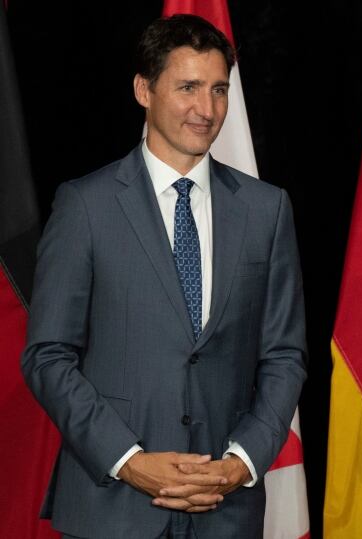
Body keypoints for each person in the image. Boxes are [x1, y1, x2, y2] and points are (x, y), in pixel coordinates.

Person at [21, 14, 306, 539]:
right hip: (113, 506)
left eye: (219, 89)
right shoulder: (85, 205)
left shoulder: (267, 210)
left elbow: (284, 354)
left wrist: (242, 462)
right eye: (189, 88)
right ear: (143, 90)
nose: (207, 109)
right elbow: (47, 355)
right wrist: (128, 460)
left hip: (226, 510)